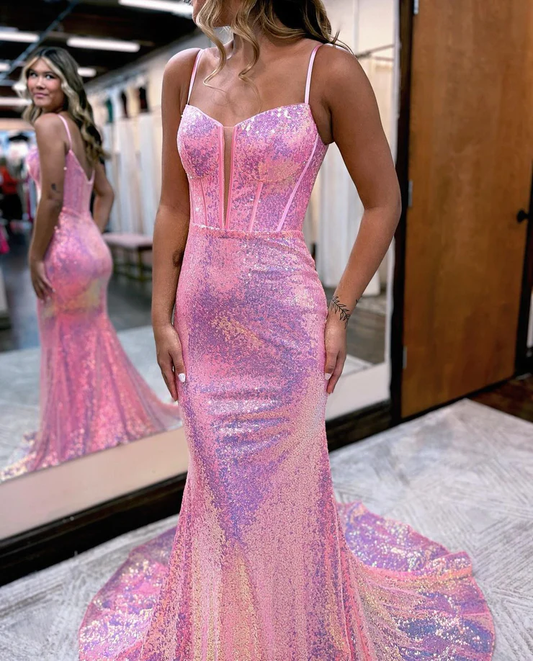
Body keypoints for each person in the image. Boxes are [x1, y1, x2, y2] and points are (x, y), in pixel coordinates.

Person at [78, 1, 495, 659]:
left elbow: (383, 200)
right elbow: (172, 203)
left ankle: (289, 631)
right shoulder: (184, 72)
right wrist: (160, 313)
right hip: (202, 327)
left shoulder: (328, 72)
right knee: (219, 492)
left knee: (283, 494)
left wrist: (340, 311)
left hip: (284, 329)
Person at [0, 47, 181, 481]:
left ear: (66, 82)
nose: (38, 83)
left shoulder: (48, 125)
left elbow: (52, 199)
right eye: (33, 75)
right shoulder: (81, 127)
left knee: (65, 343)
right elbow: (106, 194)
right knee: (91, 338)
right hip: (89, 249)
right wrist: (90, 237)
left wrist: (35, 255)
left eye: (49, 76)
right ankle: (103, 418)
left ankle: (79, 429)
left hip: (64, 251)